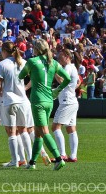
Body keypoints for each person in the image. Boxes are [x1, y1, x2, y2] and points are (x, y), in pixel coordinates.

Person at [19, 39, 71, 170]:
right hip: (49, 100)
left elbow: (21, 75)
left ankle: (58, 159)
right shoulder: (53, 62)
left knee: (43, 131)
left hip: (38, 100)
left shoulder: (32, 61)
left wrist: (31, 72)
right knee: (38, 133)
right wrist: (57, 91)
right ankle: (32, 163)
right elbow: (67, 79)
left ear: (36, 49)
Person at [0, 41, 33, 167]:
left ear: (4, 51)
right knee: (23, 130)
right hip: (23, 101)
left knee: (11, 132)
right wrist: (25, 88)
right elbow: (34, 78)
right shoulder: (23, 62)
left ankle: (15, 161)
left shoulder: (2, 64)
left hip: (9, 100)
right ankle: (31, 160)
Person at [52, 49, 79, 162]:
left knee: (55, 127)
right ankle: (73, 156)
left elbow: (63, 80)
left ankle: (62, 154)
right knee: (71, 129)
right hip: (72, 101)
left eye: (61, 55)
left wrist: (53, 72)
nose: (59, 57)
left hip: (67, 101)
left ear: (67, 56)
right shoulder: (72, 67)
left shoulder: (68, 67)